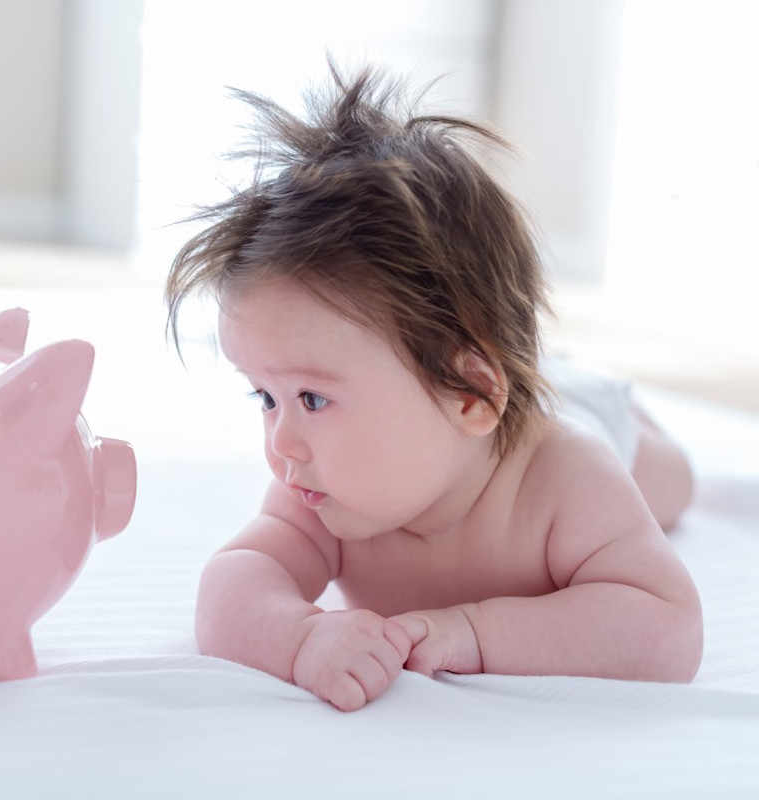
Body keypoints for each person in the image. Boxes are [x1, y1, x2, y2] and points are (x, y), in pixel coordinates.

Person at [164, 64, 702, 712]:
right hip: (483, 371)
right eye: (265, 397)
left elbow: (667, 629)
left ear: (469, 397)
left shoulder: (566, 479)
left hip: (587, 417)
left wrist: (474, 633)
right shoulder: (319, 494)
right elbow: (233, 584)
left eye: (311, 399)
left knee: (672, 482)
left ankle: (612, 395)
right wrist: (300, 639)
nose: (282, 444)